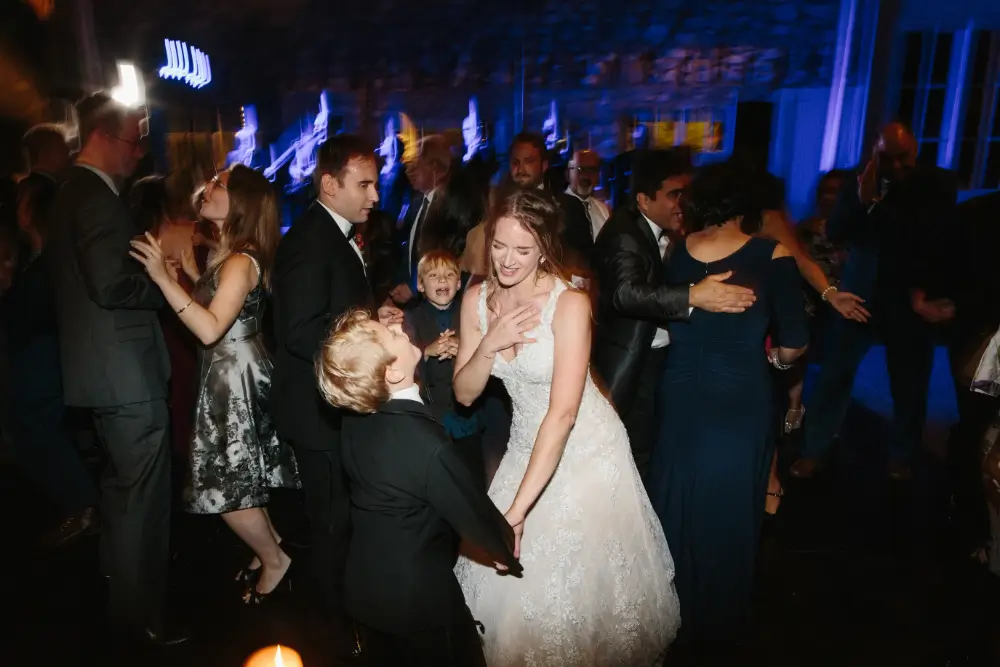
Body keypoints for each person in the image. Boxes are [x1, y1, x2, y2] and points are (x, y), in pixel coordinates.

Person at [452, 187, 680, 665]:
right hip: (526, 441)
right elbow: (465, 393)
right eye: (499, 245)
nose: (507, 260)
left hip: (586, 449)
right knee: (512, 589)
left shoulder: (569, 304)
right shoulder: (475, 300)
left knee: (579, 587)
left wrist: (516, 510)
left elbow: (564, 414)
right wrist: (489, 344)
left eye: (522, 249)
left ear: (543, 249)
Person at [648, 162, 808, 654]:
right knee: (733, 512)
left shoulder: (677, 252)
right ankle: (720, 630)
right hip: (741, 400)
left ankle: (674, 617)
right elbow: (795, 343)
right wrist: (777, 361)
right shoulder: (771, 254)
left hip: (679, 395)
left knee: (678, 505)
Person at [46, 92, 184, 646]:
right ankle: (139, 618)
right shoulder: (96, 198)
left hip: (101, 374)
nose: (139, 154)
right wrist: (165, 282)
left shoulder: (68, 193)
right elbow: (110, 285)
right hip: (124, 376)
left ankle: (123, 597)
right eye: (133, 141)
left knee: (123, 492)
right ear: (103, 137)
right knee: (140, 502)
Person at [130, 165, 300, 602]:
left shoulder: (241, 260)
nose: (207, 187)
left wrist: (165, 279)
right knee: (242, 475)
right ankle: (271, 549)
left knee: (224, 486)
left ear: (239, 202)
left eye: (219, 185)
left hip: (233, 375)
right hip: (231, 369)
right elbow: (214, 309)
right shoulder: (230, 251)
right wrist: (188, 270)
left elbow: (208, 329)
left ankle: (276, 562)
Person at [317, 307, 520, 666]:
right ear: (392, 372)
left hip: (365, 584)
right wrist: (504, 550)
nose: (399, 327)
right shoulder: (428, 446)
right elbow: (471, 511)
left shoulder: (355, 418)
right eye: (392, 334)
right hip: (417, 600)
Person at [270, 135, 402, 627]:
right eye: (364, 184)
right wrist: (367, 332)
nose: (374, 195)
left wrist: (371, 313)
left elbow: (331, 309)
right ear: (329, 185)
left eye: (375, 184)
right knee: (329, 522)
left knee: (338, 517)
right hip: (316, 409)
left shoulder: (334, 232)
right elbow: (301, 330)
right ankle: (330, 626)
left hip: (330, 404)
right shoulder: (310, 240)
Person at [791, 122, 957, 481]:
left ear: (915, 150)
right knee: (836, 375)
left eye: (904, 158)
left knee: (909, 384)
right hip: (859, 294)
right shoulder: (858, 180)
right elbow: (836, 231)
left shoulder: (936, 184)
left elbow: (923, 237)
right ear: (874, 153)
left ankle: (902, 454)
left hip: (909, 297)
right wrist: (860, 202)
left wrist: (874, 205)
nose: (896, 167)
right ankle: (815, 449)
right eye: (887, 158)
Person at [591, 149, 756, 484]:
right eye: (673, 195)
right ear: (643, 199)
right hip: (635, 364)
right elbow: (626, 294)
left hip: (657, 358)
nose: (681, 203)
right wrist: (694, 295)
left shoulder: (659, 230)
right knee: (636, 453)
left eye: (685, 193)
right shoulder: (625, 233)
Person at [404, 249, 486, 488]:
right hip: (432, 415)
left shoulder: (470, 314)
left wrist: (464, 349)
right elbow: (403, 367)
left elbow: (487, 355)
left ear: (459, 283)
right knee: (439, 481)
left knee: (472, 479)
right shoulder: (412, 319)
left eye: (449, 275)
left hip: (467, 416)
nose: (442, 280)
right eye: (433, 276)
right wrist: (426, 352)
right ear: (420, 285)